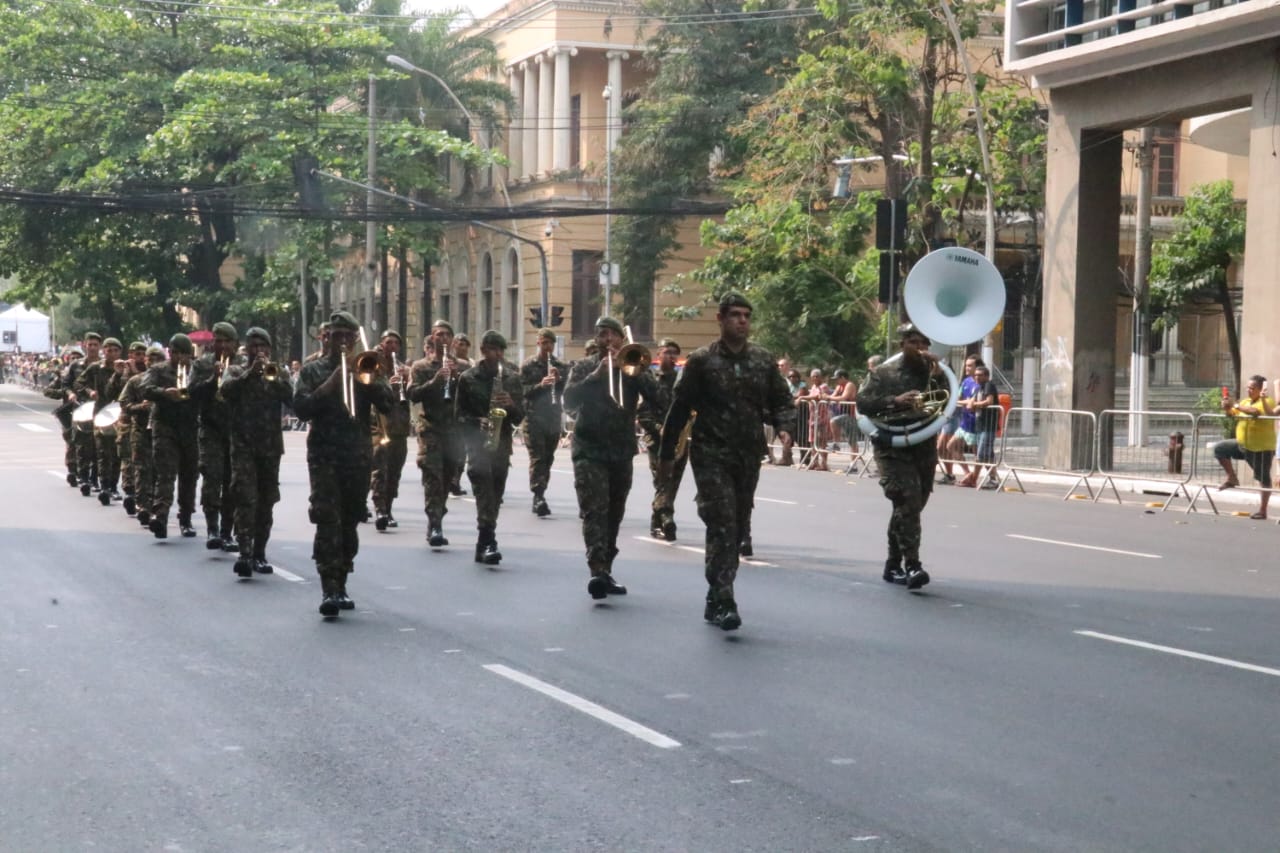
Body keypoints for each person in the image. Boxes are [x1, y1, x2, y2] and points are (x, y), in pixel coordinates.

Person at [659, 292, 795, 631]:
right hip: (710, 454)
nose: (742, 321)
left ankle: (714, 595)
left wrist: (784, 429)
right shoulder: (702, 361)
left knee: (737, 525)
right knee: (721, 523)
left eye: (747, 315)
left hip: (748, 455)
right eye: (735, 315)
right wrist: (666, 455)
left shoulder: (763, 360)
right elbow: (679, 409)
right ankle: (724, 598)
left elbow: (782, 400)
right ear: (720, 319)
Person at [293, 311, 396, 617]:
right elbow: (302, 409)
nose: (341, 342)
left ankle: (343, 576)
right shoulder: (312, 371)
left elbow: (388, 404)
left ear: (354, 340)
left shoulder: (367, 367)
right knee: (327, 517)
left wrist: (365, 380)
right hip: (324, 454)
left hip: (357, 455)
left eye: (347, 337)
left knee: (350, 518)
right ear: (327, 337)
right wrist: (333, 382)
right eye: (336, 335)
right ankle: (329, 588)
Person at [564, 317, 666, 599]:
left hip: (620, 451)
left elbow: (660, 399)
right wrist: (596, 375)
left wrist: (640, 372)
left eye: (612, 335)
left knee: (614, 513)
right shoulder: (584, 366)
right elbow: (569, 400)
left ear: (622, 339)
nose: (607, 340)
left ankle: (606, 569)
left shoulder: (633, 368)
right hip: (589, 449)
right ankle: (596, 571)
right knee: (594, 511)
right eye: (602, 335)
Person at [858, 323, 943, 591]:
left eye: (924, 344)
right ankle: (913, 565)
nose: (920, 349)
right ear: (902, 345)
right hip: (891, 446)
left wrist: (939, 376)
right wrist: (895, 400)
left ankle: (892, 563)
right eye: (913, 343)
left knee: (912, 506)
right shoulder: (883, 373)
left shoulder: (934, 374)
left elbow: (946, 401)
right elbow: (863, 402)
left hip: (923, 445)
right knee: (907, 499)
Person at [219, 328, 293, 577]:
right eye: (254, 346)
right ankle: (245, 552)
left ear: (270, 349)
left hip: (270, 446)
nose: (259, 350)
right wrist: (251, 374)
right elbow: (226, 392)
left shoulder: (278, 372)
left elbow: (294, 400)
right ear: (246, 349)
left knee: (266, 500)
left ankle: (260, 552)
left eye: (263, 345)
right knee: (245, 497)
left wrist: (278, 379)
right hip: (243, 445)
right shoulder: (236, 370)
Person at [456, 330, 525, 565]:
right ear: (483, 350)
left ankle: (482, 541)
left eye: (501, 351)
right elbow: (459, 415)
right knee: (484, 489)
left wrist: (511, 404)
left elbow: (519, 418)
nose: (498, 355)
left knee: (495, 495)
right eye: (494, 350)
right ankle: (489, 541)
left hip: (501, 444)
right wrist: (477, 421)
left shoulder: (511, 378)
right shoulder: (467, 378)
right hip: (477, 443)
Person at [407, 320, 464, 548]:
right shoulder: (421, 366)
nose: (443, 338)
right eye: (438, 334)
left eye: (447, 335)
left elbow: (471, 397)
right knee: (433, 476)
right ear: (432, 338)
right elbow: (412, 394)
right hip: (430, 429)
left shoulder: (461, 366)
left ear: (452, 340)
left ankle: (438, 515)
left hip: (454, 431)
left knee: (447, 478)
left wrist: (457, 378)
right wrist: (435, 381)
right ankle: (435, 523)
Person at [188, 322, 242, 551]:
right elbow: (191, 392)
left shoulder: (243, 364)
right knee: (212, 477)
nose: (222, 346)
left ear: (234, 343)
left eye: (226, 341)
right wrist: (213, 379)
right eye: (218, 341)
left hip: (235, 430)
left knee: (232, 483)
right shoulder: (202, 364)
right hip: (210, 428)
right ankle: (212, 528)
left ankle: (227, 531)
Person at [142, 334, 201, 539]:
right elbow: (145, 388)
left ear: (189, 354)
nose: (177, 357)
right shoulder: (158, 369)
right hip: (165, 426)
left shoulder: (197, 370)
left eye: (182, 353)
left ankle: (185, 518)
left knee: (189, 474)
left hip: (190, 427)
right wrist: (164, 392)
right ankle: (160, 517)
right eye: (174, 352)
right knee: (165, 474)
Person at [640, 338, 684, 540]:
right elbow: (642, 414)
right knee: (662, 481)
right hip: (656, 440)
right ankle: (667, 517)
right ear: (658, 355)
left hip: (679, 440)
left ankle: (656, 520)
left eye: (675, 352)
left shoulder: (681, 382)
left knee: (672, 482)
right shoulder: (650, 380)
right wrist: (660, 429)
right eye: (667, 351)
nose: (671, 356)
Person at [1214, 375, 1276, 520]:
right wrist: (1227, 407)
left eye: (1252, 388)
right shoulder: (1245, 401)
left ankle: (1263, 510)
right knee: (1220, 449)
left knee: (1263, 479)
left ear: (1260, 389)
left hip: (1261, 448)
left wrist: (1235, 405)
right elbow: (1233, 414)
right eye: (1247, 387)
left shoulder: (1267, 402)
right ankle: (1232, 477)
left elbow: (1254, 412)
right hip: (1243, 445)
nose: (1248, 390)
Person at [520, 328, 567, 517]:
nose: (548, 347)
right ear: (538, 342)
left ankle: (541, 492)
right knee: (538, 458)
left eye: (551, 343)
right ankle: (538, 495)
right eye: (544, 343)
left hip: (553, 418)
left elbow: (568, 390)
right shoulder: (528, 365)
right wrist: (541, 385)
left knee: (548, 458)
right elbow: (521, 390)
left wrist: (559, 380)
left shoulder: (559, 365)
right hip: (534, 418)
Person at [371, 329, 413, 531]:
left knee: (395, 472)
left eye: (396, 343)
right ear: (381, 344)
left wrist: (406, 380)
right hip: (379, 426)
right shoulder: (374, 365)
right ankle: (380, 509)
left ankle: (388, 507)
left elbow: (413, 395)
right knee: (380, 470)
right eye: (388, 342)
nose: (392, 346)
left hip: (399, 427)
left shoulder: (404, 369)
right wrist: (388, 383)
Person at [74, 336, 124, 504]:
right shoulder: (96, 368)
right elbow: (79, 383)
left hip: (120, 416)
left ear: (120, 352)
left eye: (115, 350)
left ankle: (113, 486)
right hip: (100, 413)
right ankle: (104, 487)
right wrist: (90, 392)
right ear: (104, 351)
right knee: (102, 452)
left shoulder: (125, 368)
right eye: (109, 350)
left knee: (117, 454)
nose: (112, 353)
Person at [120, 344, 165, 527]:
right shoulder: (136, 381)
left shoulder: (168, 381)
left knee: (159, 470)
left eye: (157, 360)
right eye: (150, 359)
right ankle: (143, 506)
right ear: (145, 361)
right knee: (141, 468)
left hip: (162, 431)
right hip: (139, 430)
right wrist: (140, 407)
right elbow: (124, 403)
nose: (153, 363)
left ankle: (156, 504)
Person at [44, 346, 87, 488]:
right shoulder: (62, 375)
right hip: (68, 412)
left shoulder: (89, 372)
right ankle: (72, 469)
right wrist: (64, 393)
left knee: (86, 442)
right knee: (71, 440)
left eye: (77, 357)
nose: (74, 360)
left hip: (85, 410)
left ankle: (85, 470)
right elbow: (48, 391)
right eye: (72, 357)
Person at [68, 332, 104, 494]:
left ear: (100, 347)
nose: (92, 348)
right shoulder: (76, 365)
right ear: (84, 345)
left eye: (96, 345)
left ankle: (94, 478)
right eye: (90, 344)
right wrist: (70, 393)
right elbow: (66, 383)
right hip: (82, 407)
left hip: (101, 409)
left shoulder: (104, 365)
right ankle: (83, 477)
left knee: (99, 445)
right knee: (82, 444)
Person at [936, 354, 979, 484]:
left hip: (968, 421)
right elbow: (958, 397)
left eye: (970, 365)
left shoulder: (978, 383)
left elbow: (973, 400)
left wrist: (965, 402)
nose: (967, 368)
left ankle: (984, 477)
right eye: (966, 365)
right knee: (945, 447)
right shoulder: (966, 381)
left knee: (979, 453)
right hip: (960, 421)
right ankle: (963, 474)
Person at [448, 333, 474, 496]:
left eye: (465, 344)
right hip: (446, 411)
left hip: (463, 413)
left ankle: (455, 479)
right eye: (459, 344)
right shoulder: (446, 362)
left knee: (461, 449)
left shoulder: (469, 365)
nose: (462, 347)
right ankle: (447, 478)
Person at [801, 368, 832, 471]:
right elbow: (811, 396)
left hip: (822, 418)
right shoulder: (813, 386)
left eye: (817, 376)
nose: (815, 378)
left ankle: (823, 464)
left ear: (821, 377)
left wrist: (802, 397)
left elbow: (817, 397)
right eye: (813, 376)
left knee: (822, 442)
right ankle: (814, 462)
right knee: (813, 442)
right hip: (813, 418)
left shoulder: (824, 386)